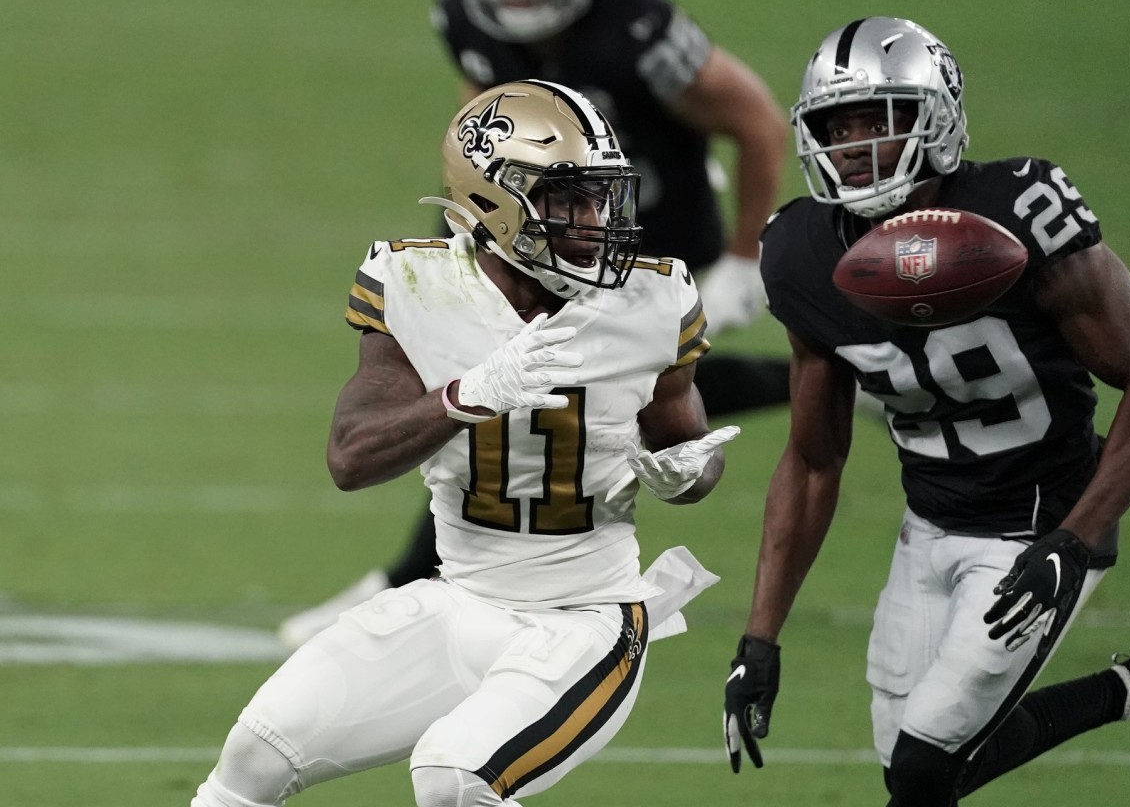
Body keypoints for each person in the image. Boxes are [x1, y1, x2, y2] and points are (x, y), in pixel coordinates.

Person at [193, 80, 736, 807]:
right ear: (493, 201)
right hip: (463, 600)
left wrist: (686, 472)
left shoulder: (653, 300)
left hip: (588, 617)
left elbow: (689, 446)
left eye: (601, 197)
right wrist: (464, 396)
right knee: (254, 756)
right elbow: (351, 458)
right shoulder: (415, 283)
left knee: (454, 777)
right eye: (567, 199)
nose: (593, 221)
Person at [719, 17, 1130, 807]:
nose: (857, 146)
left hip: (1039, 524)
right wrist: (758, 637)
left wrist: (1073, 542)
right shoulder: (800, 255)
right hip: (929, 525)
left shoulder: (1020, 212)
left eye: (881, 119)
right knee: (922, 772)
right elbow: (812, 460)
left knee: (922, 772)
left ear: (936, 118)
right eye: (839, 127)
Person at [277, 0, 790, 648]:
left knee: (593, 389)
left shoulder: (635, 28)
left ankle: (405, 582)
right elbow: (481, 109)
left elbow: (758, 124)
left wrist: (745, 257)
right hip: (523, 213)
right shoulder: (462, 14)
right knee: (511, 389)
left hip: (635, 227)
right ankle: (408, 579)